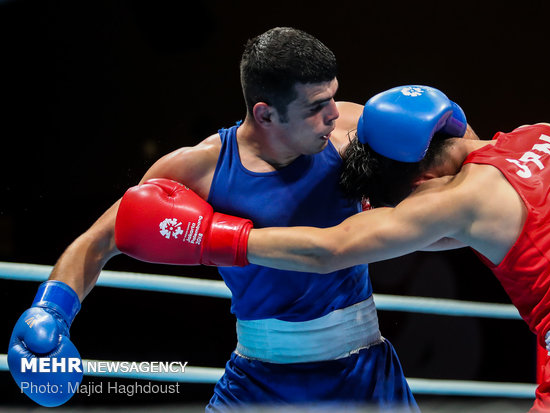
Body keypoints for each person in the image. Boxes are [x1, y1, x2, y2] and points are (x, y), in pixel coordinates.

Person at [110, 85, 550, 412]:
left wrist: (211, 238)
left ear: (422, 177)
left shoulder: (463, 197)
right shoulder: (549, 135)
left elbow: (330, 250)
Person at [7, 28, 420, 411]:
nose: (333, 114)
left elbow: (453, 165)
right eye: (315, 106)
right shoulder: (200, 169)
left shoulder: (352, 127)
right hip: (258, 380)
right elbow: (98, 240)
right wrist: (51, 310)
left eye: (333, 96)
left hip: (364, 371)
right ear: (265, 114)